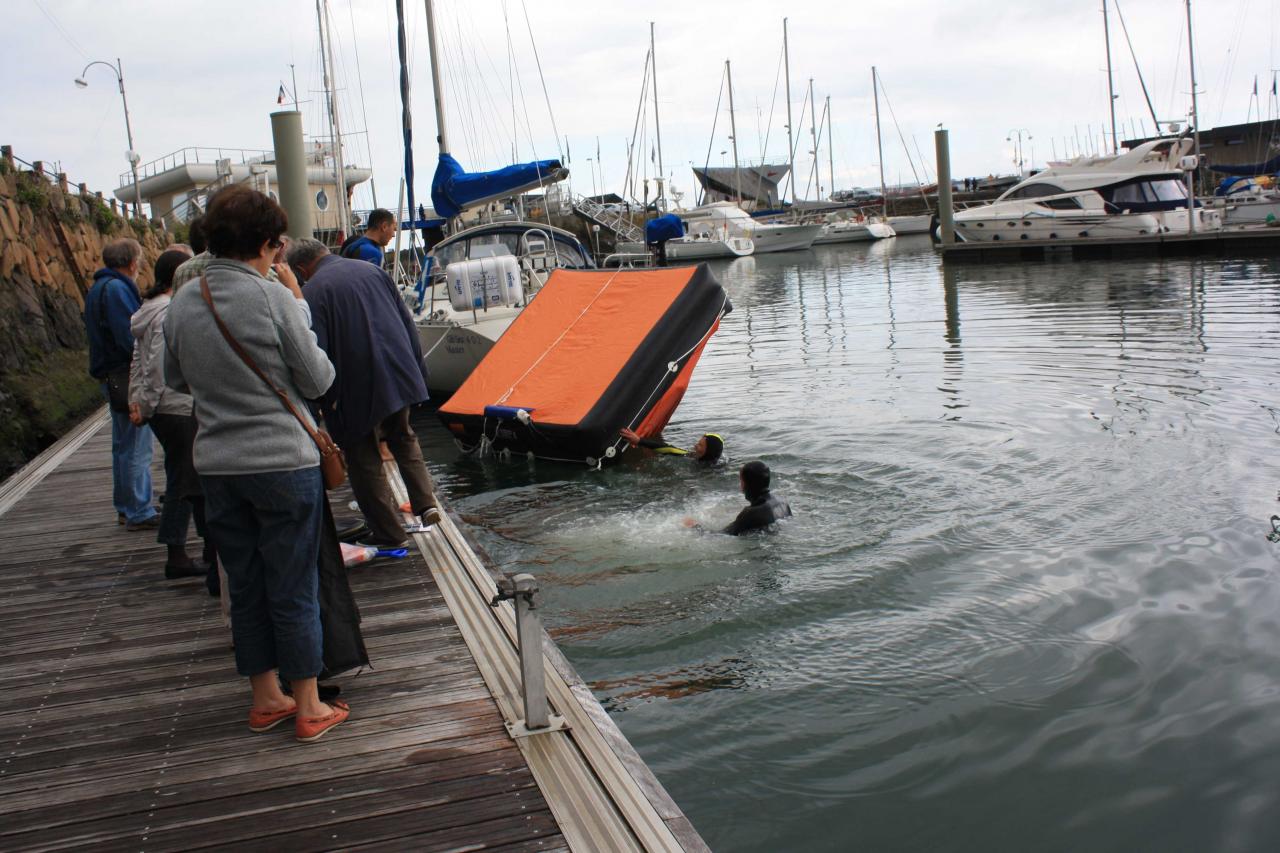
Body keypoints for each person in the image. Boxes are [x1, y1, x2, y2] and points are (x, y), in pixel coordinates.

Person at [164, 184, 348, 743]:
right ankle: (310, 706)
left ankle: (266, 697)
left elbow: (175, 381)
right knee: (292, 584)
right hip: (281, 463)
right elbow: (319, 378)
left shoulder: (184, 300)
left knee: (243, 584)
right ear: (268, 243)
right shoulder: (271, 298)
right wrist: (297, 306)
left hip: (217, 463)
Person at [286, 238, 439, 548]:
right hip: (399, 372)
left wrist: (317, 401)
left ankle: (389, 533)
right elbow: (407, 323)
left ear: (301, 269)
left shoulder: (313, 292)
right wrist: (418, 371)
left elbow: (318, 351)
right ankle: (426, 503)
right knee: (404, 436)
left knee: (363, 458)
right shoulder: (373, 272)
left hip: (354, 385)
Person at [129, 246, 220, 582]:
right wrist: (149, 402)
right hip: (177, 407)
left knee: (181, 477)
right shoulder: (169, 310)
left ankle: (186, 550)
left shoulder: (146, 309)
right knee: (185, 481)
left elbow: (137, 361)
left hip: (161, 409)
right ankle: (177, 553)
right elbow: (157, 366)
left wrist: (137, 401)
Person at [84, 237, 158, 530]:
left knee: (122, 444)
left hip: (109, 374)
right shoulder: (116, 289)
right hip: (124, 375)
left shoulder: (100, 287)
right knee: (136, 444)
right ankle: (138, 508)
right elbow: (130, 336)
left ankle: (126, 506)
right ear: (131, 263)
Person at [619, 427, 723, 464]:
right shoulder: (719, 464)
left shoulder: (691, 458)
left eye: (700, 445)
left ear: (707, 452)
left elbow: (670, 450)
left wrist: (639, 441)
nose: (695, 446)